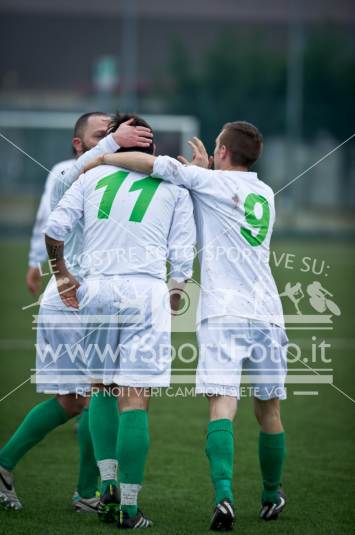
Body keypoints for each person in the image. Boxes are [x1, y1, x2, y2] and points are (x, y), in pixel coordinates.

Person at [85, 121, 288, 531]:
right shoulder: (264, 192)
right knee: (269, 409)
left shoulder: (204, 182)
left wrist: (104, 157)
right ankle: (271, 495)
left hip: (223, 313)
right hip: (268, 312)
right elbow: (225, 195)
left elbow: (151, 164)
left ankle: (225, 497)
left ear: (225, 152)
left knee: (222, 406)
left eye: (216, 147)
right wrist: (205, 171)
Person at [44, 113, 196, 528]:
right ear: (153, 149)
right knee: (136, 397)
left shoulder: (91, 178)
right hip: (145, 290)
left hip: (97, 289)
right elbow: (183, 256)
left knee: (101, 389)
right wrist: (176, 292)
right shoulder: (173, 183)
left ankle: (105, 487)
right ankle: (128, 507)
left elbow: (54, 229)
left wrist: (61, 275)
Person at [0, 112, 153, 513]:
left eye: (117, 134)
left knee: (80, 400)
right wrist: (110, 146)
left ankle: (80, 487)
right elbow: (58, 207)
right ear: (79, 144)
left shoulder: (112, 174)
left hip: (88, 301)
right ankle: (87, 491)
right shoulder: (72, 171)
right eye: (103, 135)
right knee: (94, 396)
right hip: (71, 301)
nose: (113, 139)